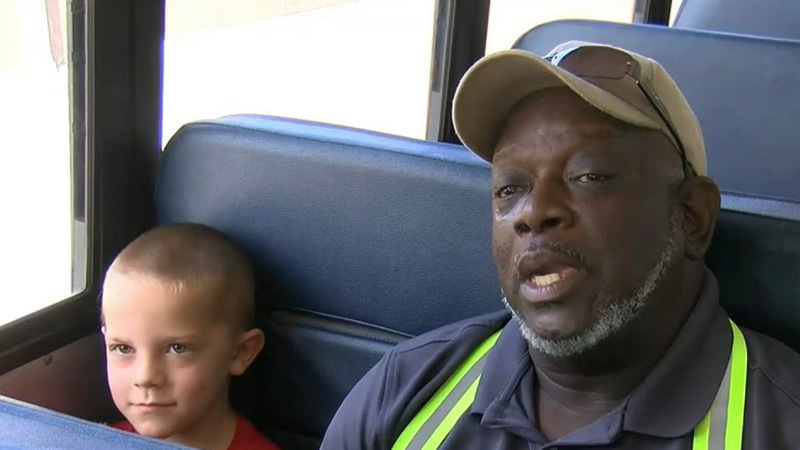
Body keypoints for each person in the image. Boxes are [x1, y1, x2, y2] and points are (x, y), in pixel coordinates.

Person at [320, 41, 800, 449]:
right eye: (510, 188)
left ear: (691, 217)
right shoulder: (407, 390)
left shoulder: (780, 423)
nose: (533, 211)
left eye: (589, 175)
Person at [100, 223, 281, 450]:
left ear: (240, 352)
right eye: (123, 348)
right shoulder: (97, 441)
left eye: (177, 348)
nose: (145, 377)